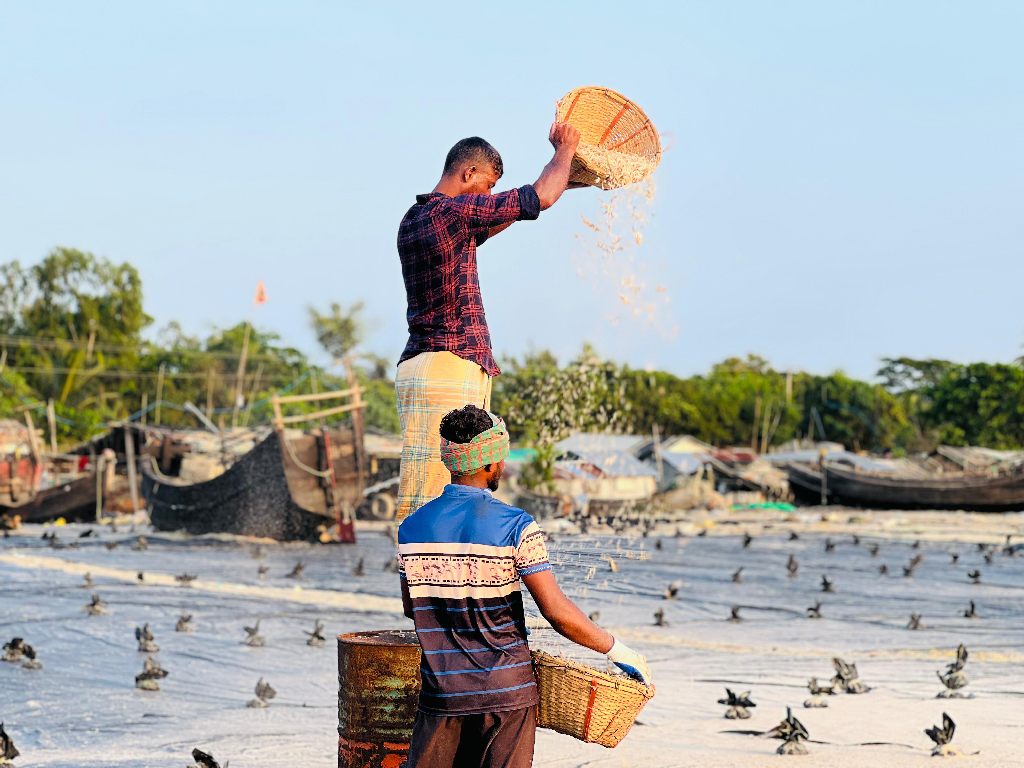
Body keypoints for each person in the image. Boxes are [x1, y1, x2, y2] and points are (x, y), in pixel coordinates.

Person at [397, 405, 653, 768]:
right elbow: (556, 612)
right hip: (505, 694)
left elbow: (413, 608)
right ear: (490, 463)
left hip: (442, 695)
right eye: (501, 456)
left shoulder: (410, 529)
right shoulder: (515, 525)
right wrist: (617, 650)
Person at [395, 123, 582, 521]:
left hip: (420, 367)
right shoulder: (450, 212)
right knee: (446, 493)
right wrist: (565, 150)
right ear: (468, 174)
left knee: (424, 492)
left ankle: (427, 577)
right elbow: (541, 197)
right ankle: (439, 575)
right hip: (450, 361)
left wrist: (559, 180)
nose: (491, 195)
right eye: (489, 185)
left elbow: (517, 208)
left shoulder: (417, 218)